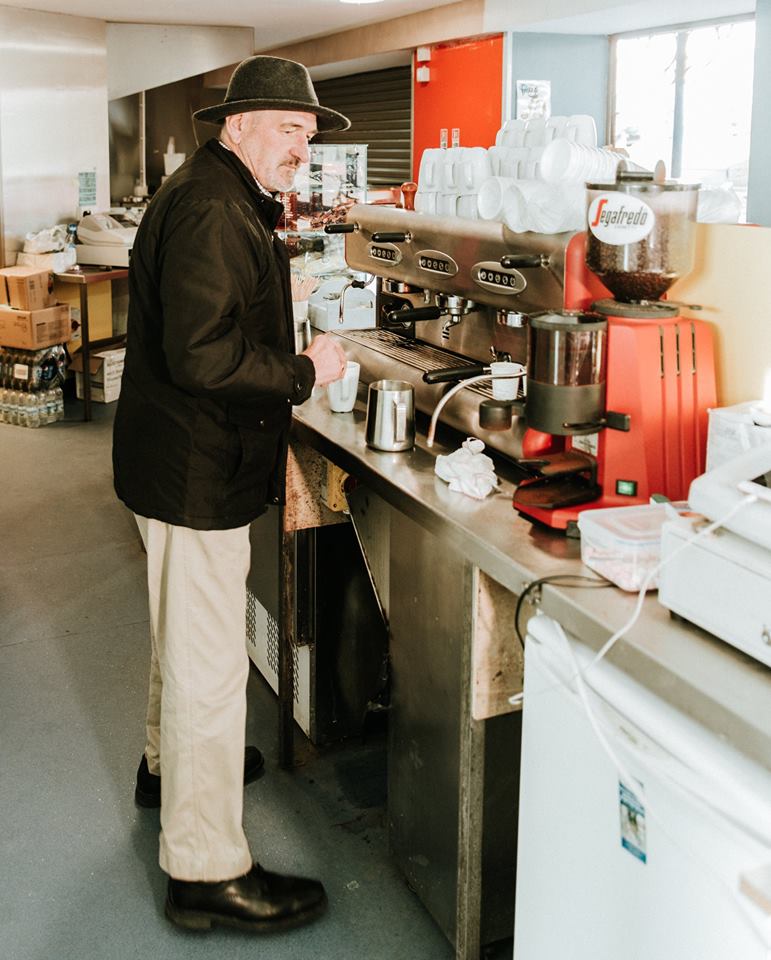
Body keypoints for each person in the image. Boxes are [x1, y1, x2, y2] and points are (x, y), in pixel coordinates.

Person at [112, 55, 349, 934]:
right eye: (288, 128)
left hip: (173, 460)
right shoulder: (216, 205)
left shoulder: (215, 190)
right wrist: (303, 367)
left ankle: (161, 767)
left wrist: (276, 300)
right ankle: (206, 870)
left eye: (309, 132)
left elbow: (208, 317)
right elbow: (205, 358)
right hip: (194, 468)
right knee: (212, 666)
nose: (303, 146)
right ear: (237, 125)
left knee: (183, 626)